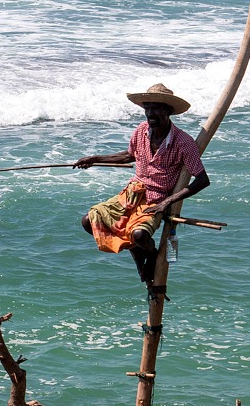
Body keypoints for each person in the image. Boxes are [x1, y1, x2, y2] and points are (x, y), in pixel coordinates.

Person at [74, 83, 209, 284]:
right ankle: (143, 259)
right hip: (131, 194)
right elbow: (129, 156)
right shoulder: (141, 130)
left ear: (168, 111)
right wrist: (94, 158)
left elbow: (202, 180)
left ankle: (152, 254)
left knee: (138, 234)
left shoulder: (183, 143)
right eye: (147, 108)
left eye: (155, 108)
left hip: (157, 199)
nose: (150, 114)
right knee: (89, 220)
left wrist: (166, 203)